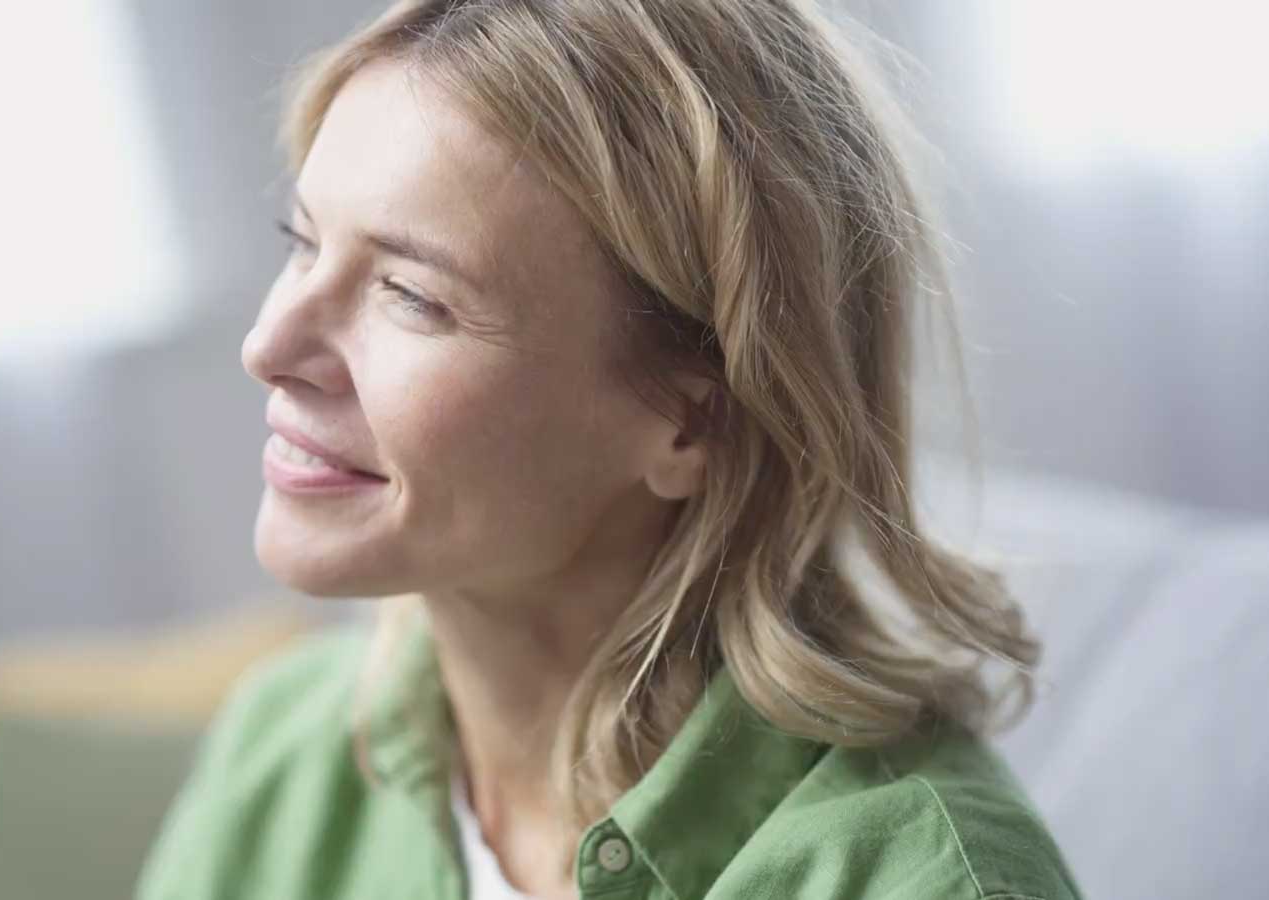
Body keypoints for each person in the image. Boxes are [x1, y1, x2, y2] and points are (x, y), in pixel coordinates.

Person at [138, 1, 1082, 897]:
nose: (268, 349)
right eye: (302, 243)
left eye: (411, 297)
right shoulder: (282, 753)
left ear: (692, 420)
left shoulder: (922, 881)